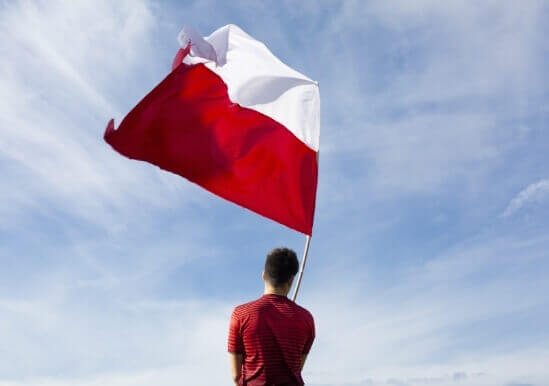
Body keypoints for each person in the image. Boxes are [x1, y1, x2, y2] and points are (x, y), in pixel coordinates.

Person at [228, 248, 315, 385]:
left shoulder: (241, 314)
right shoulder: (306, 319)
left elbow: (236, 375)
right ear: (291, 280)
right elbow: (297, 368)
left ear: (263, 275)